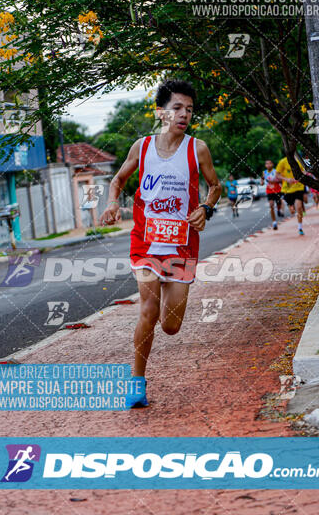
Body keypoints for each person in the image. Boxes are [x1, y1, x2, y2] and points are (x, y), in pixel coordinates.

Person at [100, 79, 222, 407]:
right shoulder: (141, 147)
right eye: (177, 108)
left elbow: (215, 185)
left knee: (170, 326)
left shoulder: (198, 149)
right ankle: (137, 383)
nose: (184, 115)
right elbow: (118, 179)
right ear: (161, 112)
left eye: (190, 110)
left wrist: (206, 209)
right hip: (146, 242)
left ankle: (145, 365)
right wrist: (112, 202)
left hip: (182, 245)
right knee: (148, 310)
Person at [275, 155, 306, 235]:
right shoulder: (283, 162)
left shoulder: (299, 161)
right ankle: (291, 207)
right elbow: (277, 174)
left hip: (298, 187)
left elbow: (304, 171)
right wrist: (287, 179)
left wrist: (300, 177)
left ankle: (300, 228)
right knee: (292, 211)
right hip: (287, 189)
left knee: (299, 208)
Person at [261, 159, 284, 230]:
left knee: (278, 204)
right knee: (271, 205)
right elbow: (262, 182)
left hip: (277, 190)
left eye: (269, 163)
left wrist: (274, 181)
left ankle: (279, 209)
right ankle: (274, 222)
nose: (268, 165)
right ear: (265, 165)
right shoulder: (264, 172)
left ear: (272, 164)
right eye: (267, 164)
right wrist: (262, 181)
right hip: (269, 191)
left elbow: (281, 180)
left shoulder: (276, 171)